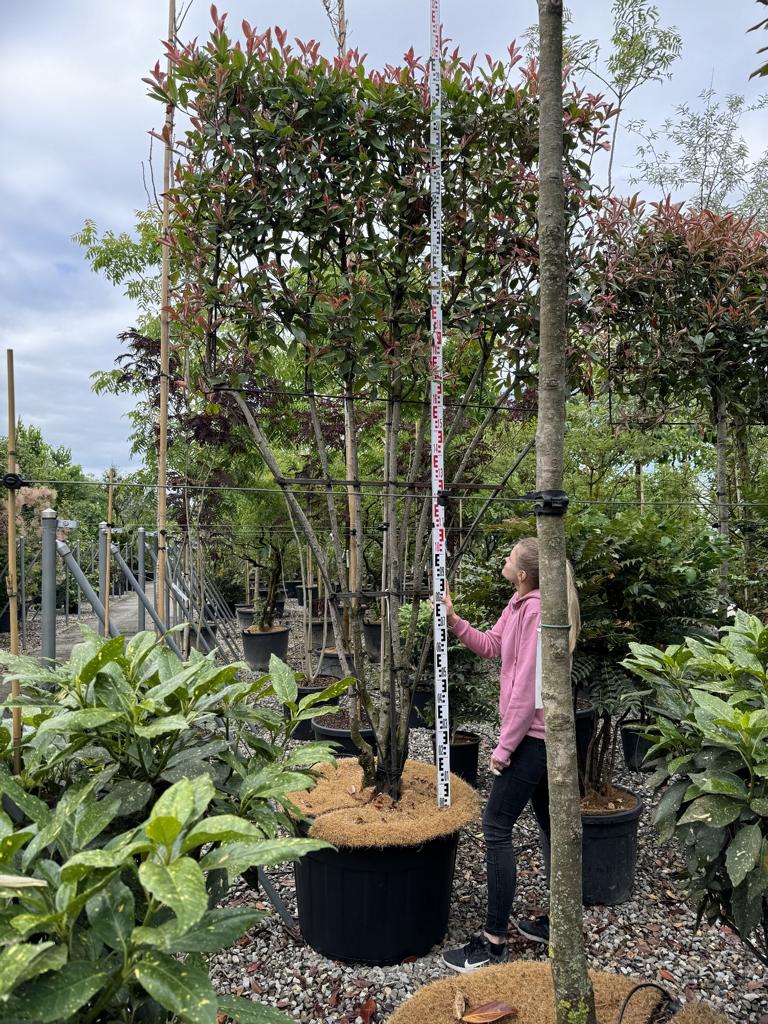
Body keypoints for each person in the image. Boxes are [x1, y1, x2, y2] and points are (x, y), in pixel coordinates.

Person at [440, 537, 580, 973]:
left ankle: (493, 940)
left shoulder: (538, 612)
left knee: (496, 826)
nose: (504, 558)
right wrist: (454, 620)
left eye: (509, 557)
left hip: (533, 740)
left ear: (523, 572)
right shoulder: (519, 602)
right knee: (547, 826)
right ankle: (559, 925)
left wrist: (503, 750)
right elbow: (494, 646)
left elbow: (527, 691)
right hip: (534, 739)